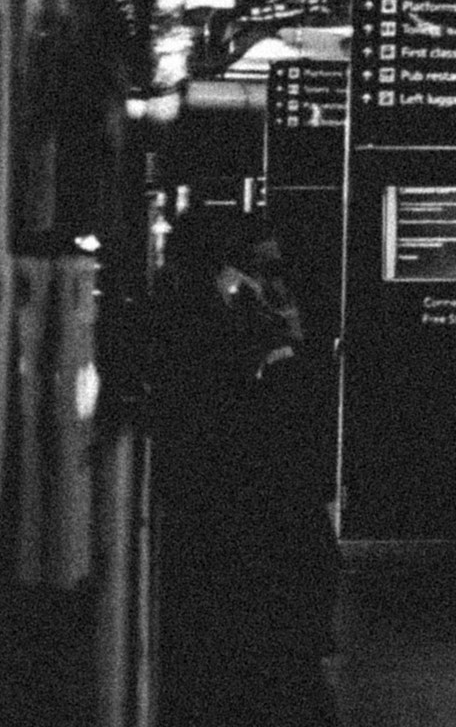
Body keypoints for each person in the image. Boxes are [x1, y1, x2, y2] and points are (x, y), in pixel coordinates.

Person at [149, 209, 340, 727]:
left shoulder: (206, 306)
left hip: (243, 481)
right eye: (265, 264)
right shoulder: (228, 315)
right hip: (252, 480)